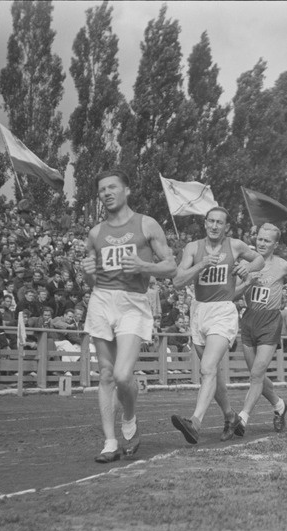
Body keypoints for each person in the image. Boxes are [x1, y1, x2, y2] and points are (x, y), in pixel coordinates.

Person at [81, 170, 176, 463]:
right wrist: (87, 276)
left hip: (133, 302)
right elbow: (90, 280)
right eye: (101, 190)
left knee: (124, 375)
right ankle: (109, 442)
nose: (106, 193)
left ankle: (130, 417)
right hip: (101, 301)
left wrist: (142, 266)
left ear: (127, 191)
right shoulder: (95, 233)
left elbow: (171, 266)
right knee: (107, 374)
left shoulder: (146, 224)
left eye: (112, 187)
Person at [169, 207, 263, 444]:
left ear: (225, 227)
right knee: (212, 374)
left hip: (223, 311)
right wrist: (201, 265)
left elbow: (260, 259)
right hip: (199, 311)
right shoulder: (193, 248)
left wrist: (247, 268)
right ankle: (231, 417)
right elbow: (178, 282)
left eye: (219, 222)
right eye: (210, 221)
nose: (214, 226)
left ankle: (195, 422)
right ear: (205, 223)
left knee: (208, 368)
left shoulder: (235, 246)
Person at [226, 223, 287, 438]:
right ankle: (279, 404)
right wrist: (246, 284)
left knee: (256, 374)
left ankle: (243, 417)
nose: (262, 243)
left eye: (267, 241)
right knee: (257, 374)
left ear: (275, 244)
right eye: (260, 239)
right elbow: (232, 295)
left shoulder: (282, 265)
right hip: (249, 319)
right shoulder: (245, 263)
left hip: (270, 321)